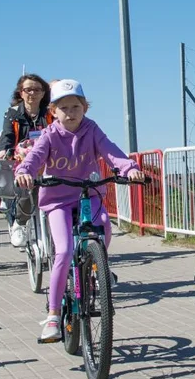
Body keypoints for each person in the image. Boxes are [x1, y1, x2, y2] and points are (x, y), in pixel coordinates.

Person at [13, 79, 143, 343]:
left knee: (104, 225)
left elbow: (111, 151)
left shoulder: (91, 130)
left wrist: (129, 169)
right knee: (63, 251)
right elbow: (35, 157)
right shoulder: (50, 134)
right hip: (58, 198)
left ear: (85, 107)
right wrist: (24, 171)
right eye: (64, 108)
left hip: (88, 193)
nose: (70, 113)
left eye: (76, 106)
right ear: (53, 111)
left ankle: (96, 267)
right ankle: (52, 314)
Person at [0, 73, 52, 247]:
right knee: (26, 187)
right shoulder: (12, 113)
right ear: (21, 93)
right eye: (28, 89)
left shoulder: (50, 113)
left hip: (47, 162)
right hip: (21, 161)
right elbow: (7, 137)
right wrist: (4, 152)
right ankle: (20, 223)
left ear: (43, 93)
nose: (32, 93)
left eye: (37, 89)